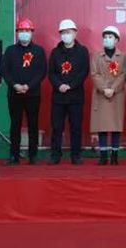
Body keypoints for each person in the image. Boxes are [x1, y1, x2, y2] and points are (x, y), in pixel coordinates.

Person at [1, 18, 47, 165]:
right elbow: (5, 71)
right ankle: (14, 155)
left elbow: (42, 72)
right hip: (14, 94)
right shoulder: (10, 51)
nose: (24, 33)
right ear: (17, 33)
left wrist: (29, 86)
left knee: (33, 124)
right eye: (21, 30)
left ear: (32, 32)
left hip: (33, 94)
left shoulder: (39, 51)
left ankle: (33, 155)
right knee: (15, 125)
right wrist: (14, 85)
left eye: (27, 30)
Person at [48, 19, 90, 165]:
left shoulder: (82, 51)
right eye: (63, 33)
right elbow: (51, 73)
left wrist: (70, 85)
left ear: (75, 33)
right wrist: (59, 85)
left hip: (75, 96)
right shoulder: (55, 52)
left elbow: (84, 72)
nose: (66, 35)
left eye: (68, 32)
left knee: (76, 127)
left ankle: (76, 155)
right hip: (58, 96)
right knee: (56, 127)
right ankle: (55, 155)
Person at [90, 26, 126, 166]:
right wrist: (105, 88)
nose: (107, 39)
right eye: (105, 37)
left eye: (110, 37)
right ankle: (103, 155)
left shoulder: (123, 56)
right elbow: (94, 74)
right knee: (102, 125)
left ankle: (115, 155)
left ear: (116, 40)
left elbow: (124, 74)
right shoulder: (96, 56)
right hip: (101, 94)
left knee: (116, 125)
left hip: (117, 94)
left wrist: (113, 88)